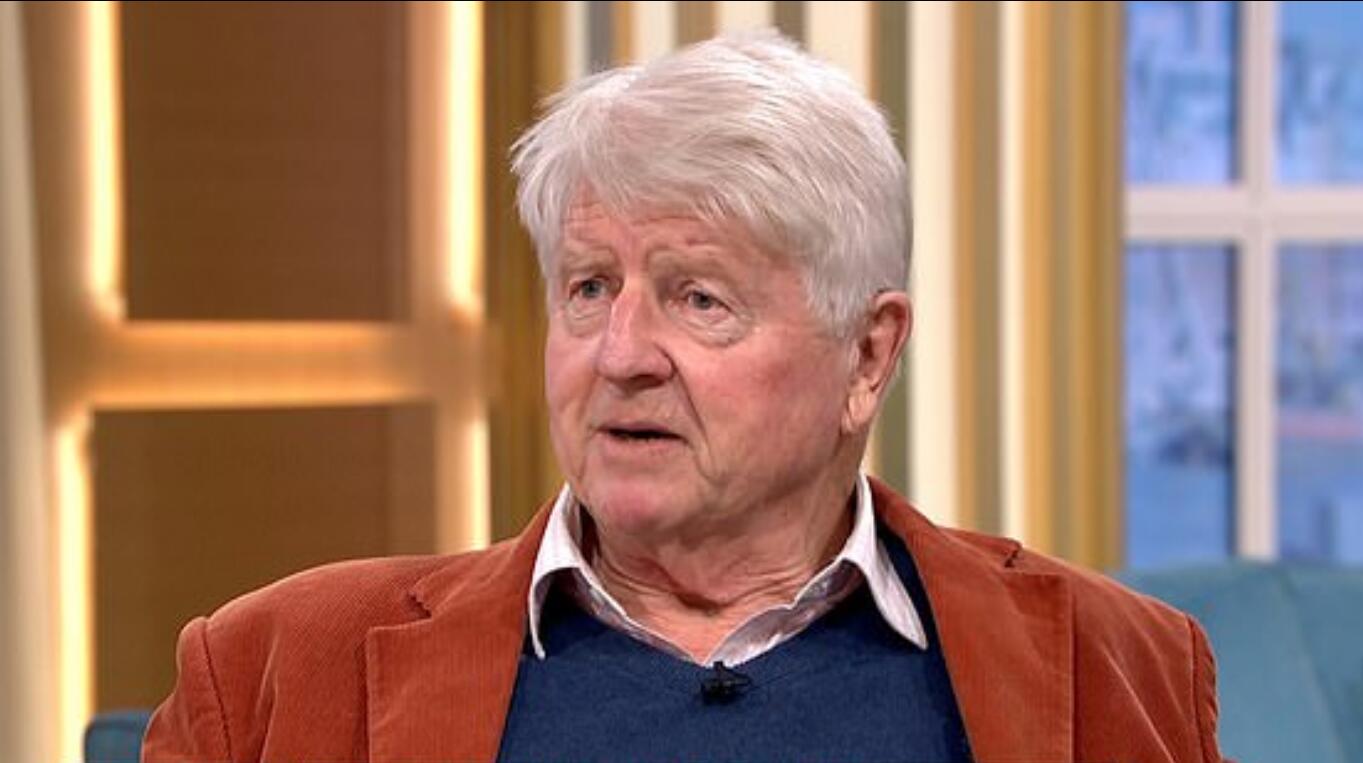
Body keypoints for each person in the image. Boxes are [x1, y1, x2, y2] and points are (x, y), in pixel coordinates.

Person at [143, 31, 1225, 763]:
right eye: (588, 288)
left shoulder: (1116, 670)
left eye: (698, 298)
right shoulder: (275, 672)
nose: (620, 354)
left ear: (867, 355)